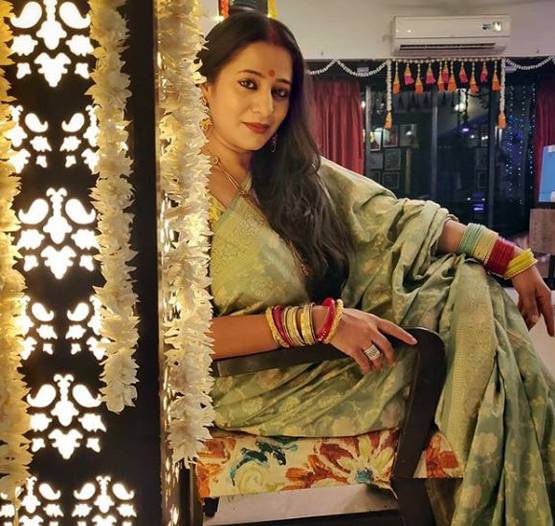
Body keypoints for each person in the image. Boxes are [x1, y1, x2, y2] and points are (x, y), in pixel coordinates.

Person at [197, 10, 555, 525]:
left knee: (468, 291)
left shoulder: (291, 170)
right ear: (205, 85)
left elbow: (394, 218)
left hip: (319, 353)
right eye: (248, 84)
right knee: (475, 353)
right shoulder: (175, 192)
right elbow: (178, 339)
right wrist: (317, 323)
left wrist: (509, 256)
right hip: (251, 380)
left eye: (280, 92)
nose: (265, 107)